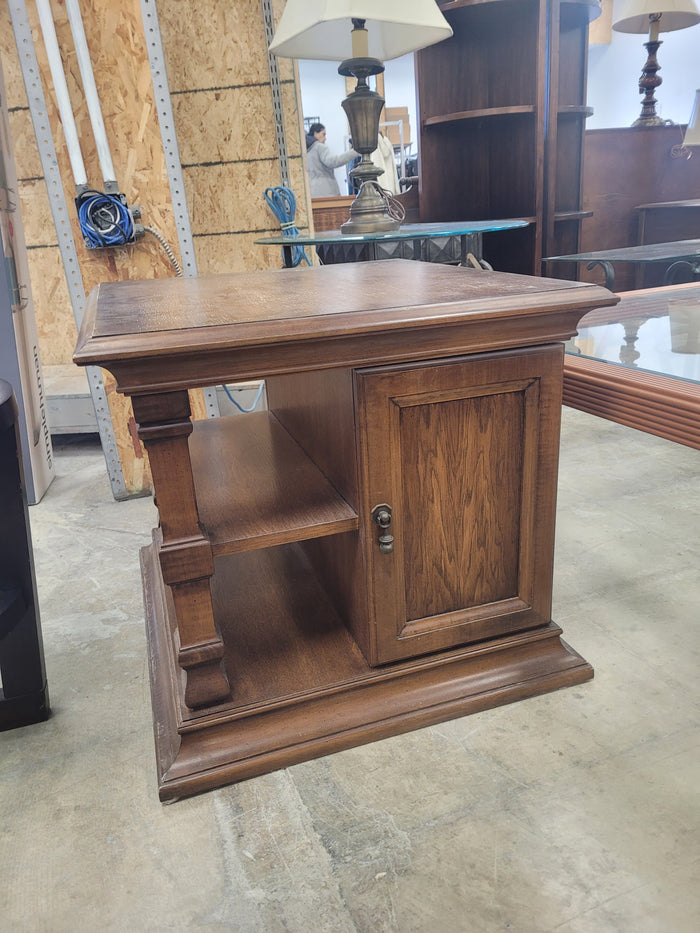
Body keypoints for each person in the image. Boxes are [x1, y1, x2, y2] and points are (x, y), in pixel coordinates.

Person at [305, 122, 357, 197]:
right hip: (326, 192)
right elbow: (333, 161)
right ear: (315, 133)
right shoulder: (319, 147)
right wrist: (355, 152)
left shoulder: (305, 151)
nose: (325, 138)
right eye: (323, 134)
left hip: (312, 193)